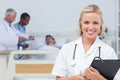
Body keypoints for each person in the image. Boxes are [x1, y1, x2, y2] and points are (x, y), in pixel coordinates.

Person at [52, 5, 118, 80]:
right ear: (80, 24)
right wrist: (72, 79)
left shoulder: (108, 51)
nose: (90, 27)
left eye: (95, 23)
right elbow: (58, 78)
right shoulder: (66, 49)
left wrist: (98, 78)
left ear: (100, 25)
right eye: (86, 22)